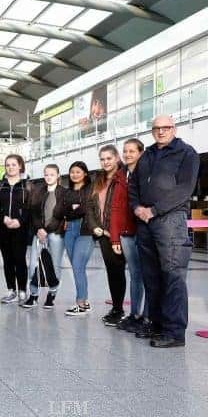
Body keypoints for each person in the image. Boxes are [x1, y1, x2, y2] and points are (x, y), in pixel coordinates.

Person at [129, 115, 199, 348]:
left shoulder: (186, 153)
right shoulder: (146, 155)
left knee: (172, 275)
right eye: (156, 128)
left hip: (170, 219)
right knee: (152, 276)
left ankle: (175, 331)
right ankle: (157, 325)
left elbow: (185, 188)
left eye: (166, 128)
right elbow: (133, 185)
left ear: (174, 129)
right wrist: (137, 207)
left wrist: (155, 210)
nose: (161, 132)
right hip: (144, 222)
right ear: (151, 131)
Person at [85, 145, 132, 327]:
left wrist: (116, 231)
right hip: (103, 234)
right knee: (114, 272)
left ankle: (140, 314)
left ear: (117, 158)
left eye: (109, 158)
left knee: (135, 274)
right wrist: (95, 226)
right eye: (102, 159)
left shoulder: (124, 177)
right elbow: (90, 206)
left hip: (121, 233)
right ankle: (117, 309)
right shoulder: (99, 179)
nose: (105, 162)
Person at [22, 164, 69, 310]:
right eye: (46, 174)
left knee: (54, 266)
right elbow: (33, 213)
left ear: (58, 175)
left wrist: (47, 230)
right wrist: (39, 229)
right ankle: (33, 295)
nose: (49, 177)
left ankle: (51, 295)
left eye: (52, 174)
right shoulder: (38, 191)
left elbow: (60, 215)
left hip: (55, 234)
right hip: (39, 233)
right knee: (33, 265)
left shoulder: (64, 193)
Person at [0, 155, 31, 304]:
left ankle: (22, 290)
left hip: (21, 228)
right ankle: (11, 290)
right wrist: (4, 218)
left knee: (20, 259)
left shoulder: (28, 185)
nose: (11, 167)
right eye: (8, 165)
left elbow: (30, 206)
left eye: (14, 164)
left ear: (20, 166)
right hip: (3, 228)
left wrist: (20, 221)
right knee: (7, 260)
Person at [118, 138, 147, 333]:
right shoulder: (120, 175)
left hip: (145, 229)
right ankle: (135, 314)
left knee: (149, 275)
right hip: (127, 231)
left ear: (141, 152)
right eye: (125, 151)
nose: (128, 154)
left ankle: (147, 316)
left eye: (132, 151)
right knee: (135, 274)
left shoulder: (147, 173)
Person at [62, 161, 95, 317]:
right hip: (70, 231)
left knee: (77, 265)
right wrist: (73, 210)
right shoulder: (67, 192)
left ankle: (80, 303)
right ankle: (85, 301)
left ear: (85, 173)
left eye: (78, 171)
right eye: (72, 172)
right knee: (77, 268)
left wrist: (73, 210)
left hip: (86, 229)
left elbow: (88, 207)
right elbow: (62, 210)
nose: (74, 174)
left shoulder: (91, 189)